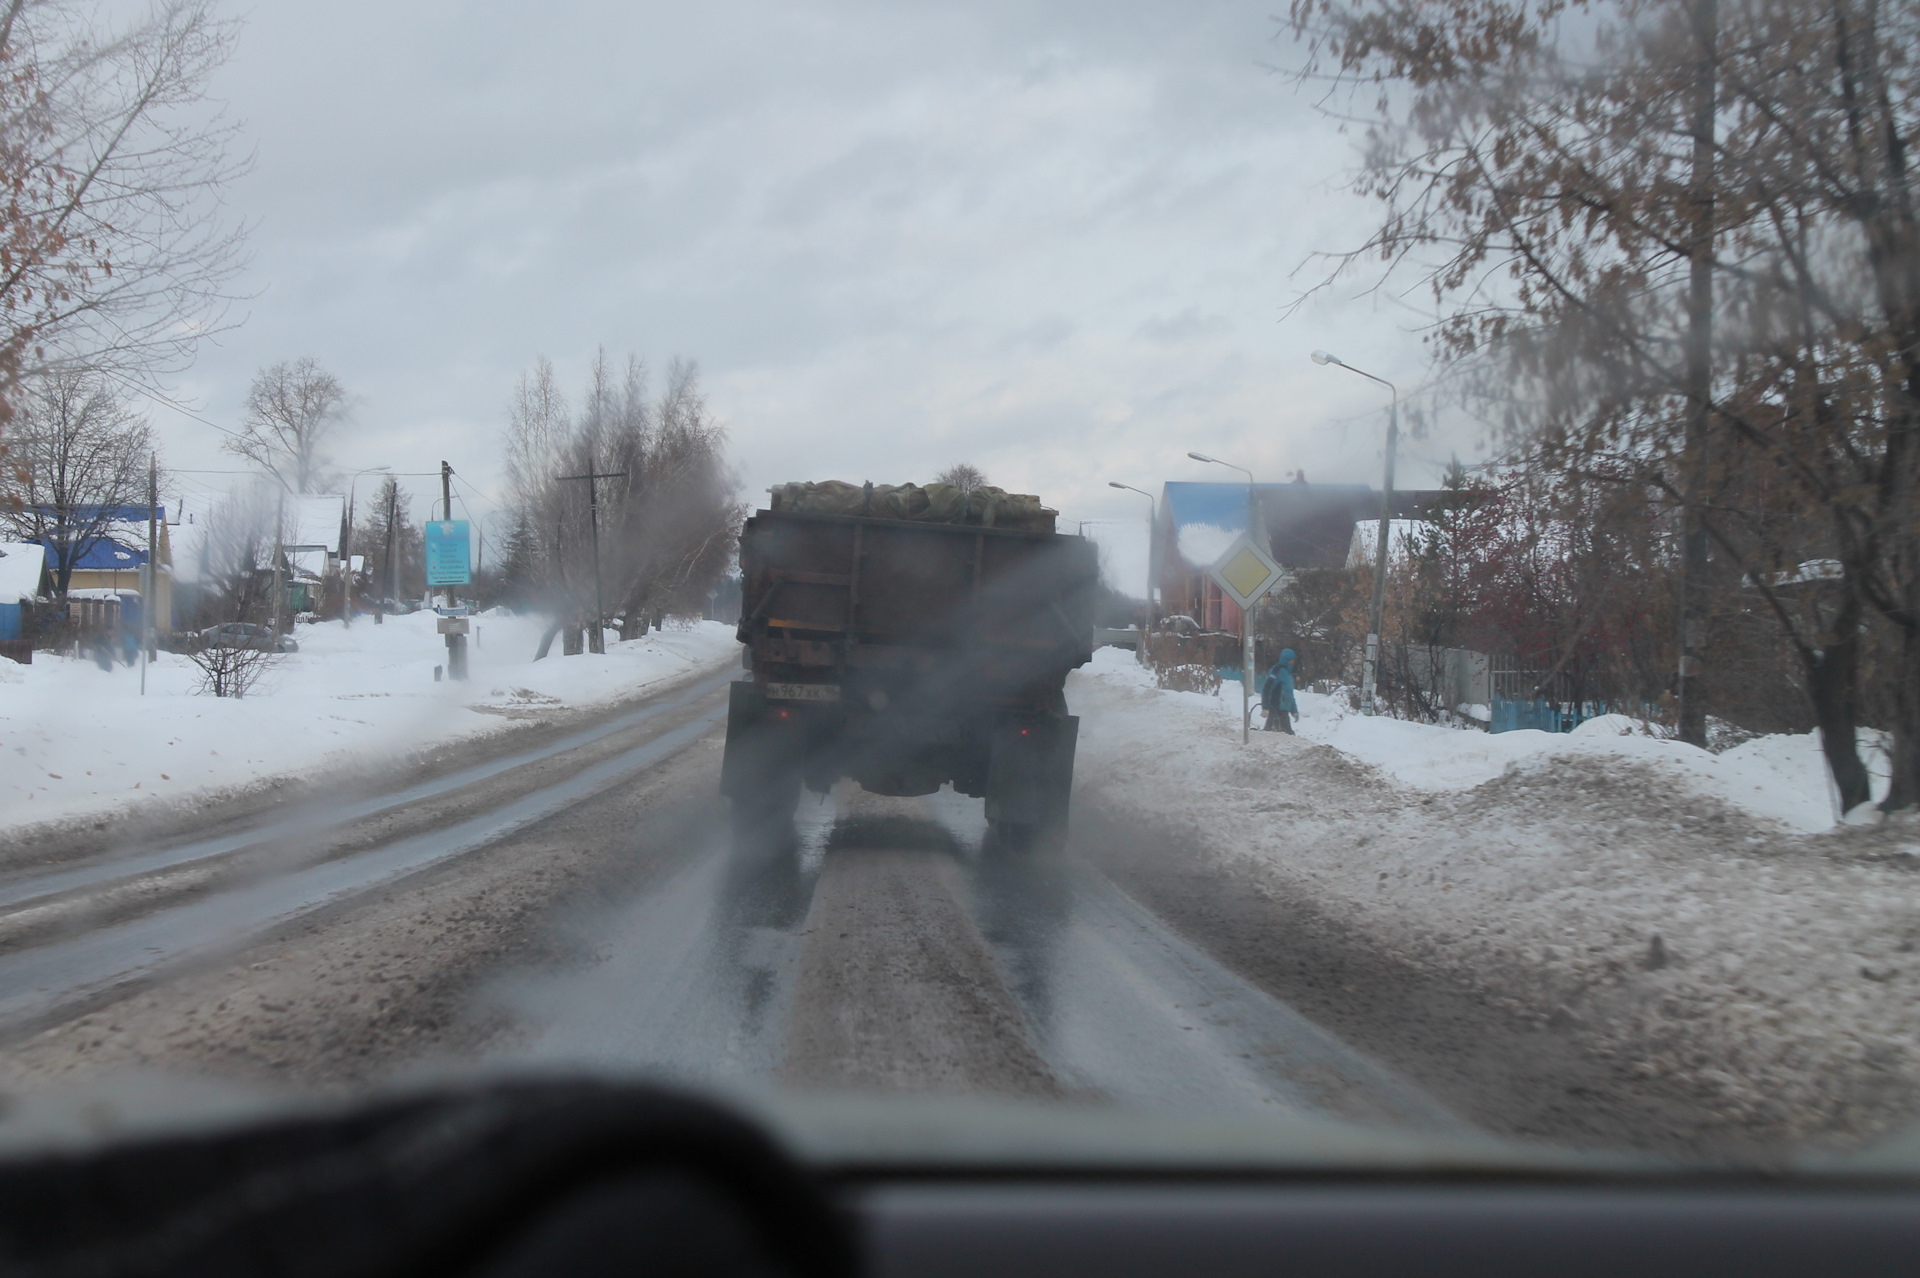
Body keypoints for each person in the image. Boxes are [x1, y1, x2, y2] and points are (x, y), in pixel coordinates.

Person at [1262, 648, 1298, 733]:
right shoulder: (1277, 671)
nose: (1293, 662)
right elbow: (1267, 688)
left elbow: (1290, 695)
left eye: (1293, 660)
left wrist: (1294, 711)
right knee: (1277, 735)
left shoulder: (1288, 675)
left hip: (1284, 712)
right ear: (1286, 660)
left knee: (1284, 735)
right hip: (1276, 709)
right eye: (1291, 660)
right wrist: (1265, 707)